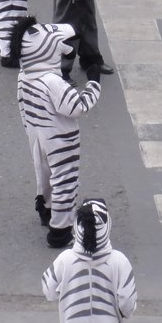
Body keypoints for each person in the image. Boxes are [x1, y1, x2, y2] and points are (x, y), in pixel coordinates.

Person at [11, 17, 102, 248]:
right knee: (64, 179)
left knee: (44, 174)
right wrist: (94, 83)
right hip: (60, 139)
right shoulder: (52, 81)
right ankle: (60, 229)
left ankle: (46, 208)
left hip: (37, 135)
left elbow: (23, 107)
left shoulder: (24, 76)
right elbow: (76, 107)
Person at [42, 198, 137, 323]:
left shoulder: (65, 259)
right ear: (107, 225)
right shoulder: (119, 261)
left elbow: (49, 290)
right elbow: (127, 302)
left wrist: (67, 296)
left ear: (78, 226)